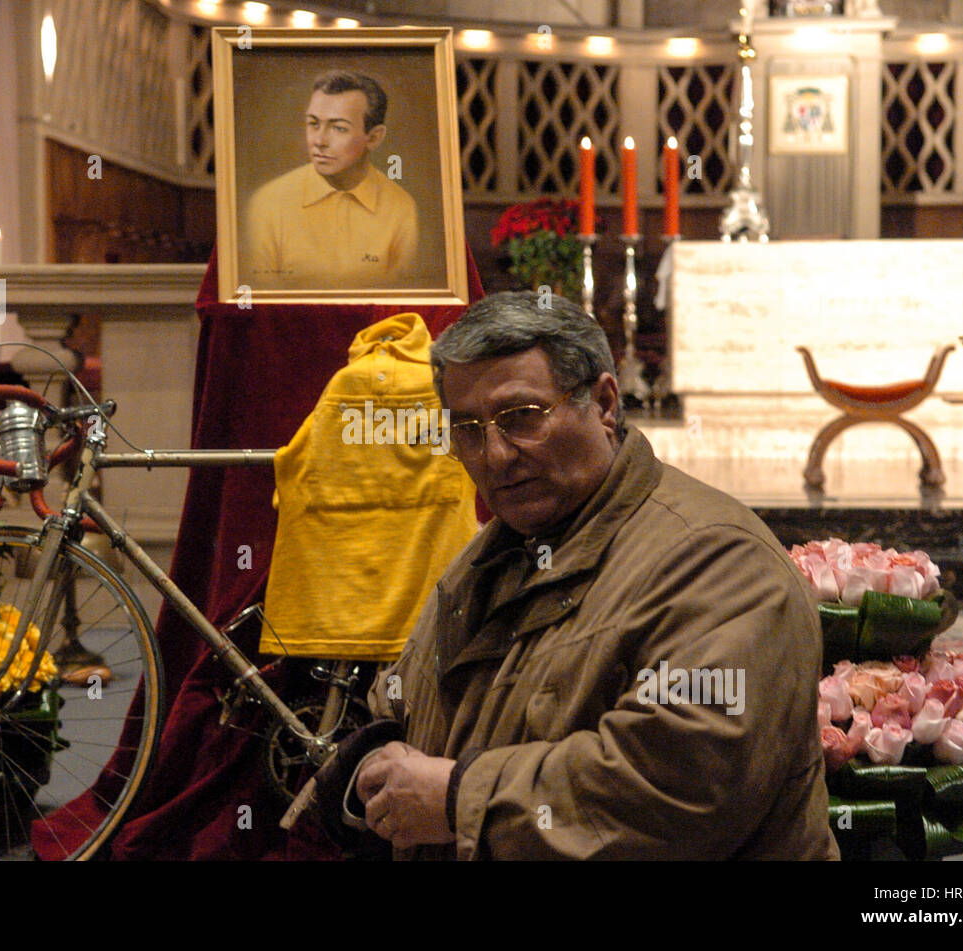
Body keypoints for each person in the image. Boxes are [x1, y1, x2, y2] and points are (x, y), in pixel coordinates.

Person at [353, 291, 839, 860]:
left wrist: (460, 799)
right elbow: (401, 709)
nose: (494, 455)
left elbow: (678, 788)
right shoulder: (495, 551)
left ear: (605, 403)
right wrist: (372, 767)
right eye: (467, 428)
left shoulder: (718, 561)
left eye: (520, 418)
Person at [245, 70, 418, 289]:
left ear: (374, 137)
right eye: (313, 123)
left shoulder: (401, 208)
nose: (319, 141)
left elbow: (403, 296)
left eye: (338, 128)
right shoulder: (268, 202)